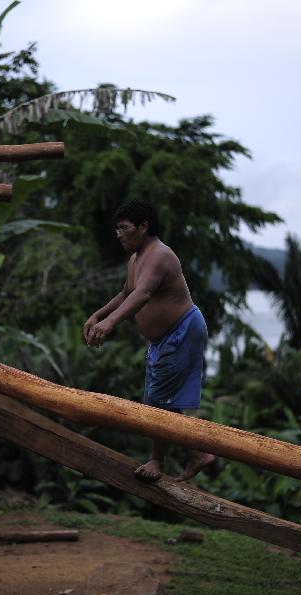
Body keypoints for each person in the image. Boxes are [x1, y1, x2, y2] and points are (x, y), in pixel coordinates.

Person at [83, 200, 215, 482]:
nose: (118, 234)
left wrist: (110, 323)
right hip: (164, 338)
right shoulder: (136, 259)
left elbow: (142, 295)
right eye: (116, 228)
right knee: (159, 400)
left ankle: (160, 460)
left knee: (158, 401)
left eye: (124, 228)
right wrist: (97, 315)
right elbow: (126, 293)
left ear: (143, 227)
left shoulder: (159, 255)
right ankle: (196, 453)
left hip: (181, 330)